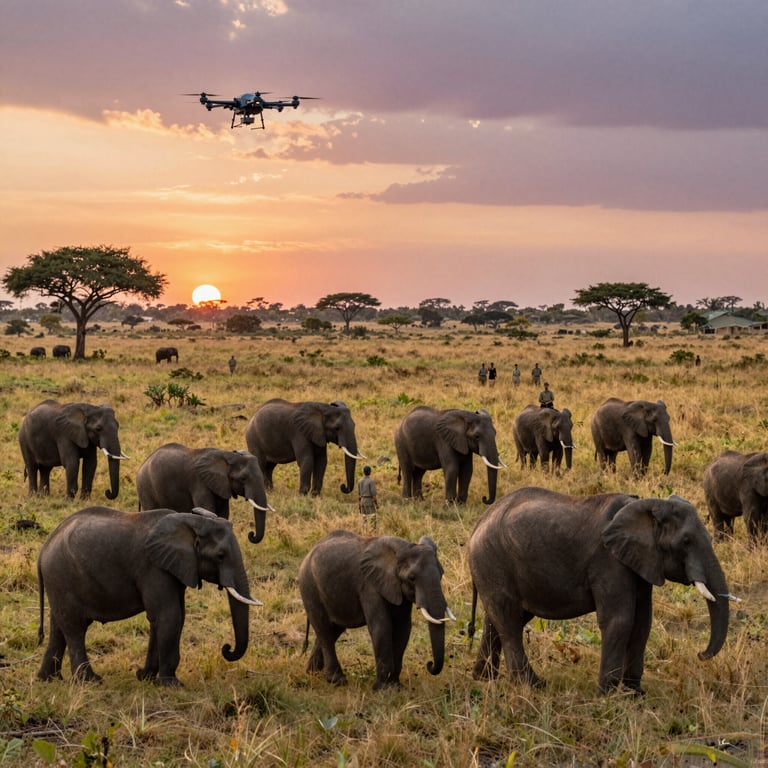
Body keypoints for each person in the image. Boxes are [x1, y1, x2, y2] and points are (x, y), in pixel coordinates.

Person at [358, 465, 378, 530]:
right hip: (369, 500)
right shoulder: (371, 481)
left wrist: (359, 504)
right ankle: (372, 530)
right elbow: (374, 495)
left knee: (364, 517)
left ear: (363, 472)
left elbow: (359, 495)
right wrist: (376, 504)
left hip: (362, 501)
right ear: (370, 472)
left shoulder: (360, 481)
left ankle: (364, 530)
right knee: (373, 516)